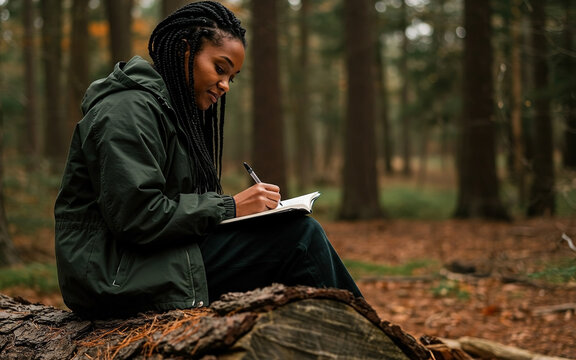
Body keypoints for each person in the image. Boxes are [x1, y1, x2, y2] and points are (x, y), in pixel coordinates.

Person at [54, 1, 361, 319]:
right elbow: (137, 216)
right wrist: (230, 208)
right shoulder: (127, 110)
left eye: (232, 76)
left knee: (288, 233)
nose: (225, 85)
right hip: (112, 274)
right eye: (220, 68)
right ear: (185, 51)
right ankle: (370, 344)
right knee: (299, 239)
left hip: (147, 259)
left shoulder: (170, 112)